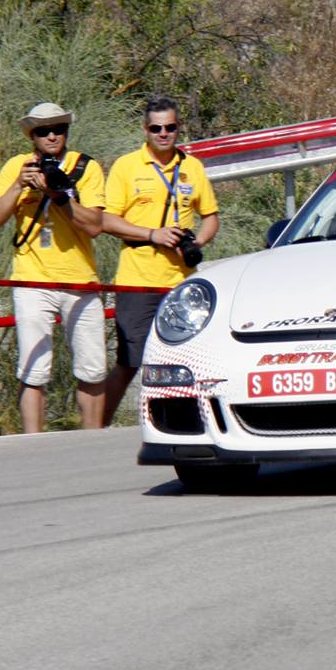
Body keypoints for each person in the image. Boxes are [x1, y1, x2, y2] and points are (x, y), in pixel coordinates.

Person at [0, 102, 107, 433]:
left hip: (80, 278)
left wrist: (60, 196)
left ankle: (92, 441)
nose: (52, 135)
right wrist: (18, 186)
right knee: (33, 370)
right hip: (32, 280)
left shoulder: (86, 167)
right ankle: (33, 445)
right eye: (43, 130)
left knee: (93, 368)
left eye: (59, 128)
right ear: (32, 135)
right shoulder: (16, 166)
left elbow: (94, 225)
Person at [101, 96, 220, 425]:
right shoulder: (127, 166)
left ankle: (189, 422)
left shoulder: (191, 166)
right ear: (145, 130)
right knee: (130, 361)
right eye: (156, 128)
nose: (164, 134)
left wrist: (198, 240)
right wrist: (153, 234)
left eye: (170, 127)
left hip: (181, 281)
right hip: (137, 280)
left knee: (188, 358)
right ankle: (95, 430)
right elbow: (107, 221)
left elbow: (210, 216)